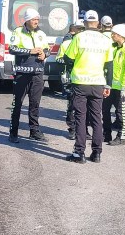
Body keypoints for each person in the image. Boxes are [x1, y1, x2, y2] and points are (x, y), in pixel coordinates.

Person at [62, 10, 114, 163]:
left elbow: (68, 58)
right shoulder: (105, 40)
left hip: (80, 82)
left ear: (84, 23)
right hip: (98, 82)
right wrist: (108, 85)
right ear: (98, 23)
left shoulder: (79, 37)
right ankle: (97, 153)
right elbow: (109, 65)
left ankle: (79, 153)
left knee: (80, 117)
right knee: (97, 117)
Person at [8, 7, 50, 143]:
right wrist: (29, 51)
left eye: (37, 19)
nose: (36, 21)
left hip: (38, 73)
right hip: (22, 73)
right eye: (33, 19)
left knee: (35, 104)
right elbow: (12, 49)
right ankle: (13, 132)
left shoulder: (41, 33)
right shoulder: (18, 31)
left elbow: (47, 49)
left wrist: (45, 54)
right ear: (27, 20)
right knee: (18, 104)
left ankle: (34, 131)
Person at [104, 24, 125, 145]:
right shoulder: (113, 47)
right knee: (105, 110)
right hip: (110, 85)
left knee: (121, 112)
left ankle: (121, 137)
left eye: (114, 34)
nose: (112, 36)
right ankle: (106, 134)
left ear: (121, 35)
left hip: (122, 87)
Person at [57, 21, 84, 138]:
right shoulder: (66, 44)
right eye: (79, 28)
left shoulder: (88, 43)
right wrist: (67, 64)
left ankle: (83, 130)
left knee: (85, 107)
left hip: (85, 79)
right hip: (70, 78)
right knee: (72, 105)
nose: (80, 31)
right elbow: (58, 59)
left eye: (83, 28)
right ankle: (72, 129)